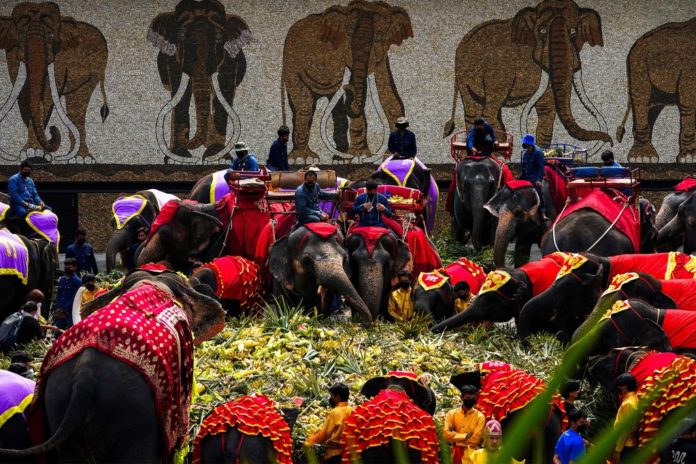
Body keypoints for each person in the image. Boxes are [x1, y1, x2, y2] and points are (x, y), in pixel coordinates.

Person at [305, 383, 353, 463]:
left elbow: (324, 434)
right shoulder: (353, 410)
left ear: (337, 397)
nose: (330, 398)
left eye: (332, 396)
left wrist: (308, 443)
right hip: (350, 454)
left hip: (335, 454)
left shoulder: (335, 412)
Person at [443, 383, 486, 464]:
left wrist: (455, 439)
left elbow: (475, 440)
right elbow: (446, 434)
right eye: (468, 397)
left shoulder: (480, 417)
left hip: (472, 457)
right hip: (454, 455)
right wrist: (465, 436)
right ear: (461, 397)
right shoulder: (451, 414)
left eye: (473, 397)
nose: (471, 399)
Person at [612, 373, 639, 463]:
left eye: (620, 385)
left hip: (626, 445)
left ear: (625, 386)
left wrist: (618, 450)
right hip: (628, 443)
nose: (619, 388)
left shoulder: (628, 403)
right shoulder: (633, 398)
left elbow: (626, 429)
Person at [519, 133, 547, 220]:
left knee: (538, 191)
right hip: (526, 175)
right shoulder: (526, 153)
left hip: (534, 176)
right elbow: (524, 166)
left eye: (524, 142)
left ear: (529, 143)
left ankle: (543, 212)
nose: (523, 144)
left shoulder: (538, 153)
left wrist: (539, 179)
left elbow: (541, 167)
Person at [54, 258, 82, 329]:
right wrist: (59, 307)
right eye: (66, 268)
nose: (67, 269)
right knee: (58, 331)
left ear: (75, 268)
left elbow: (74, 298)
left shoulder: (77, 281)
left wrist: (64, 309)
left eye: (69, 268)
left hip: (70, 312)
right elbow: (59, 294)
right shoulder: (62, 279)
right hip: (60, 311)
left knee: (71, 330)